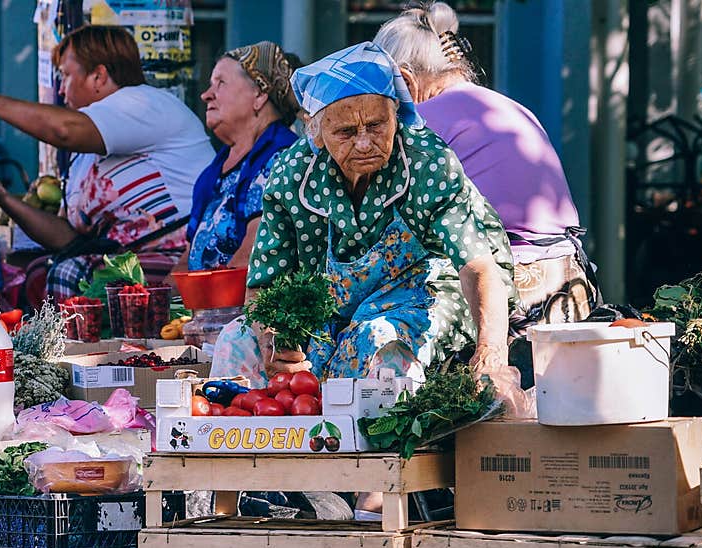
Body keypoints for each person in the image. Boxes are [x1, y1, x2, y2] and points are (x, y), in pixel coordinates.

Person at [211, 41, 517, 395]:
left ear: (396, 117)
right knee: (235, 337)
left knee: (377, 339)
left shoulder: (425, 162)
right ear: (317, 131)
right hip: (331, 308)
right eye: (345, 132)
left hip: (425, 294)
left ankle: (369, 450)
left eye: (376, 125)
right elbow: (263, 285)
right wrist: (270, 335)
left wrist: (491, 352)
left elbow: (477, 267)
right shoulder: (291, 175)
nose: (363, 143)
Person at [374, 2, 598, 340]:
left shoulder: (422, 123)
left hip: (514, 292)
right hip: (573, 284)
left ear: (404, 79)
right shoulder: (511, 107)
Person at [0, 24, 214, 304]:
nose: (61, 90)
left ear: (98, 76)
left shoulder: (146, 104)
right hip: (118, 262)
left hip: (183, 261)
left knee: (68, 272)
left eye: (66, 76)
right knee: (37, 269)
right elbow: (68, 239)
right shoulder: (85, 157)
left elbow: (65, 131)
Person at [175, 41, 301, 272]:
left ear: (260, 94)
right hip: (205, 305)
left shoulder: (282, 160)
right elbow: (186, 261)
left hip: (238, 305)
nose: (205, 95)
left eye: (220, 83)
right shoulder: (217, 170)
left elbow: (251, 257)